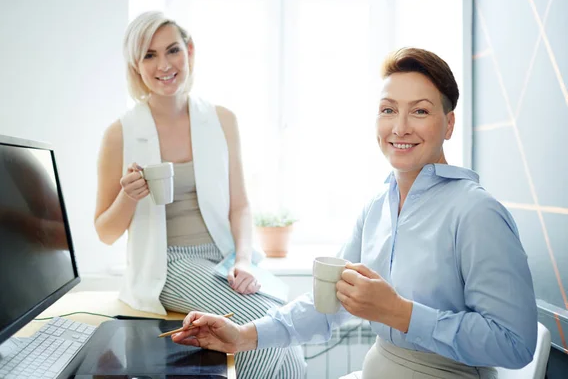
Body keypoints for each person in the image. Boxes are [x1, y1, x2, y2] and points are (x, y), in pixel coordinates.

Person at [171, 48, 538, 379]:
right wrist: (242, 336)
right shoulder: (378, 206)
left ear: (449, 124)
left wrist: (401, 313)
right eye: (388, 110)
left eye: (420, 111)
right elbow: (327, 304)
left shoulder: (477, 212)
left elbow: (514, 344)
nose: (400, 127)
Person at [93, 11, 305, 378]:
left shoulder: (222, 120)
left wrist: (243, 260)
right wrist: (128, 197)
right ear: (135, 66)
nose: (164, 65)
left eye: (172, 50)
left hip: (222, 257)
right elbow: (105, 232)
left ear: (189, 50)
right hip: (168, 264)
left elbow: (239, 206)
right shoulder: (119, 134)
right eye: (149, 55)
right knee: (259, 327)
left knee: (286, 329)